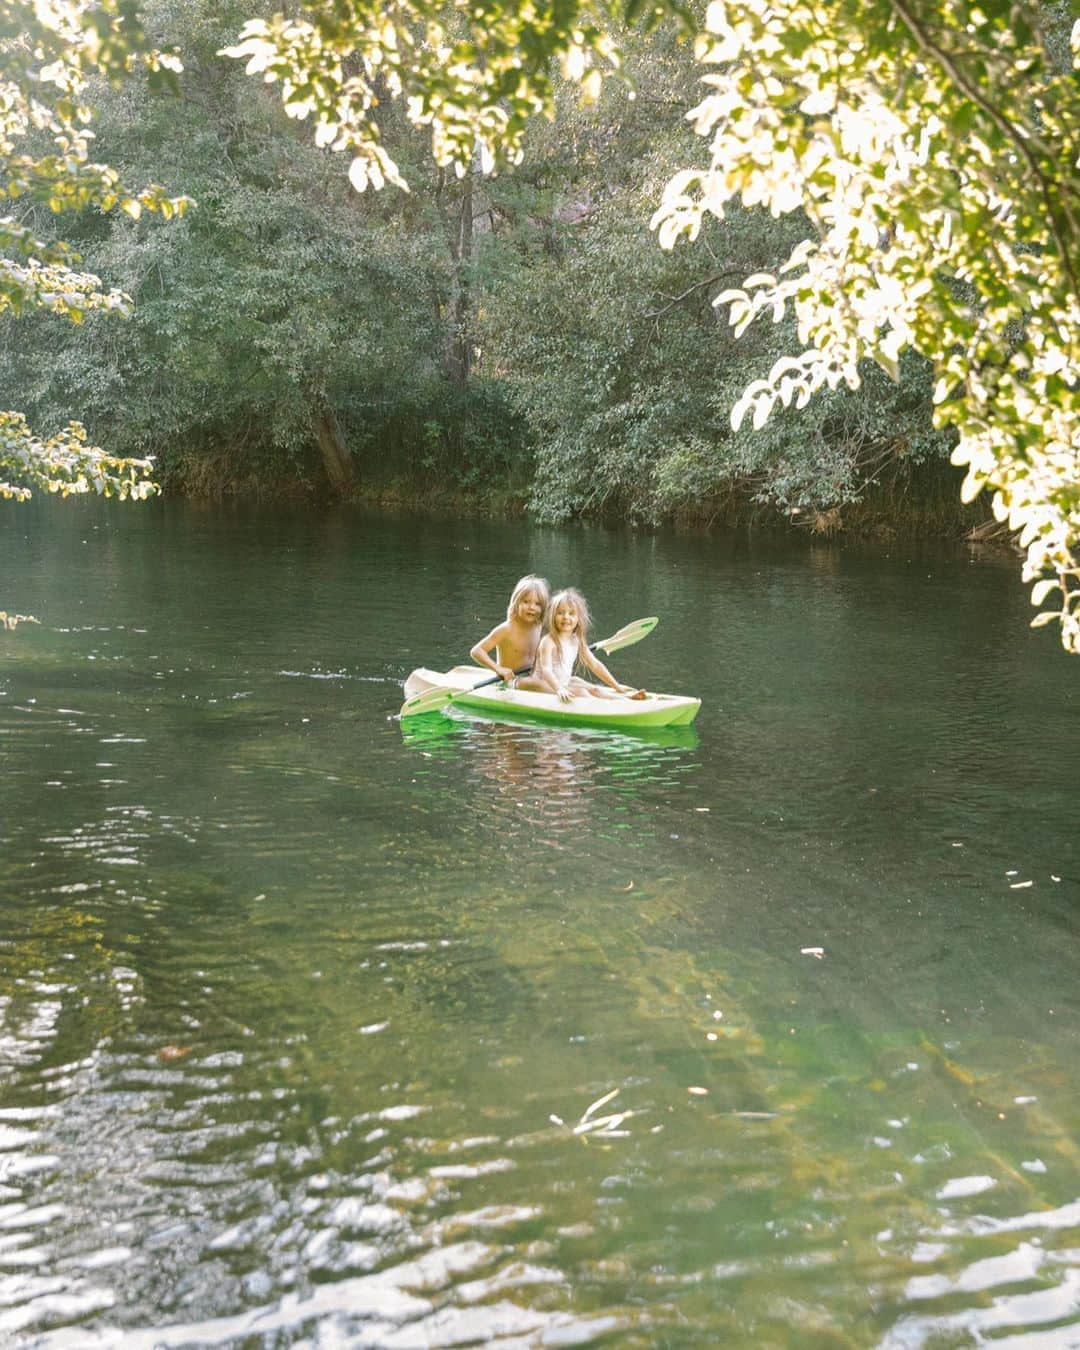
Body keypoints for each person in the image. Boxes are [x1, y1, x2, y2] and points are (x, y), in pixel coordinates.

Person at [534, 588, 646, 702]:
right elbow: (546, 670)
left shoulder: (576, 640)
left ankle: (623, 698)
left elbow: (595, 665)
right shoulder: (548, 641)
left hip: (564, 681)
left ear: (578, 618)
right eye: (560, 613)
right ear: (553, 616)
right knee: (582, 692)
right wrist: (559, 689)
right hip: (544, 684)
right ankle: (608, 706)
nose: (566, 617)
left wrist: (617, 687)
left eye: (571, 613)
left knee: (595, 689)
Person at [470, 574, 551, 690]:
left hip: (534, 677)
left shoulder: (541, 628)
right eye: (526, 602)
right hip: (510, 682)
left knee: (575, 681)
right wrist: (499, 669)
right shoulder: (507, 629)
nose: (531, 607)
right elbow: (476, 651)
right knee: (537, 684)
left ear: (543, 607)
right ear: (516, 602)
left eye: (537, 604)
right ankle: (564, 701)